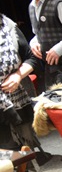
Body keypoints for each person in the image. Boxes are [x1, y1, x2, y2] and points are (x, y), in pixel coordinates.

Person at [0, 12, 38, 150]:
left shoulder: (8, 26)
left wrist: (17, 75)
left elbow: (32, 58)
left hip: (16, 96)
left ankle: (25, 158)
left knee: (20, 149)